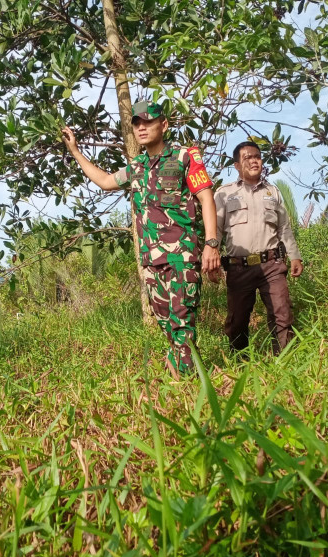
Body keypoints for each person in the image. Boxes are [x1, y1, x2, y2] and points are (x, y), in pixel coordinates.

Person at [62, 101, 220, 377]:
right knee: (167, 327)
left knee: (182, 324)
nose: (141, 128)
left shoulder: (185, 157)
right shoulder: (136, 166)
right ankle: (184, 380)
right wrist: (75, 151)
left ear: (164, 125)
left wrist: (211, 243)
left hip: (181, 256)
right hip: (151, 260)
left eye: (148, 121)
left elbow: (206, 199)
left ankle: (186, 386)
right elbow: (105, 181)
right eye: (136, 124)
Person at [210, 141, 304, 355]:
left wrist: (295, 256)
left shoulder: (272, 192)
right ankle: (239, 362)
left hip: (272, 265)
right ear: (236, 165)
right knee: (238, 320)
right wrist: (212, 256)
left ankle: (284, 362)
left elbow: (284, 228)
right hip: (238, 268)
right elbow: (215, 229)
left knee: (282, 313)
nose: (254, 161)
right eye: (247, 157)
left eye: (257, 156)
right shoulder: (224, 194)